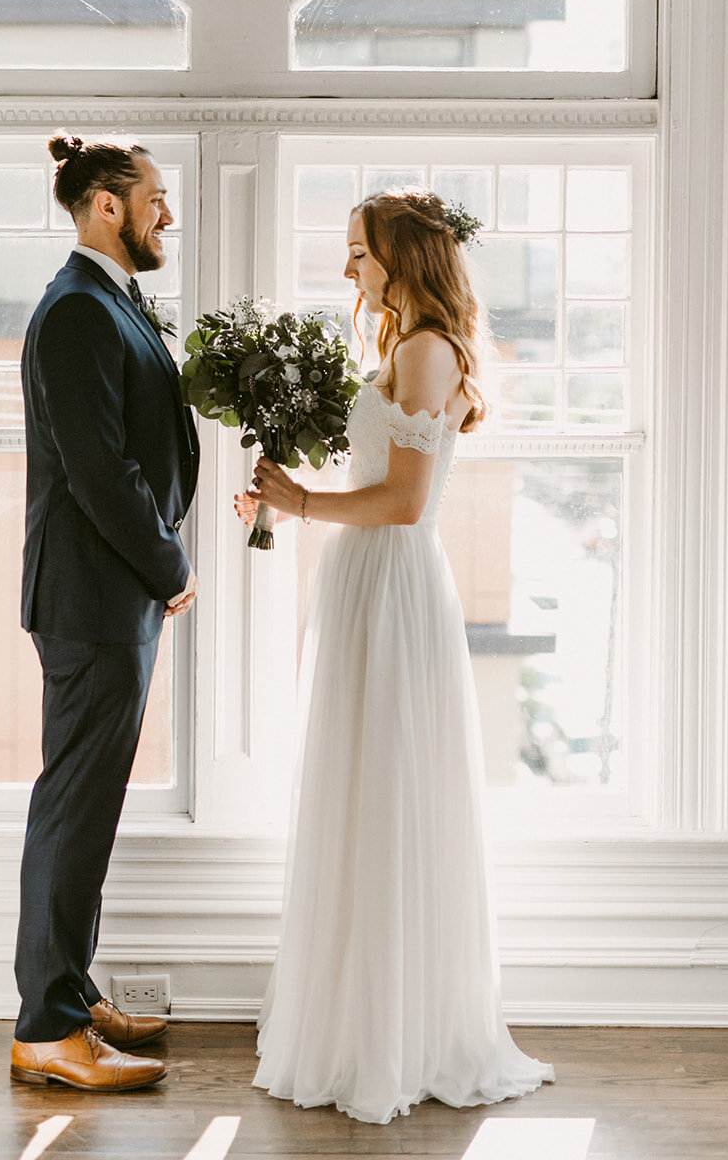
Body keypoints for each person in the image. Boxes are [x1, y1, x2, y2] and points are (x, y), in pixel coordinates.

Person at [236, 190, 554, 1124]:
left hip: (394, 580)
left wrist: (299, 504)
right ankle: (361, 1020)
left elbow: (408, 503)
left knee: (386, 792)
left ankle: (392, 1036)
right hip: (366, 584)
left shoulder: (423, 352)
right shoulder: (399, 348)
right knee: (359, 789)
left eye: (357, 254)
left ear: (402, 258)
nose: (347, 271)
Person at [11, 133, 199, 1093]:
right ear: (105, 206)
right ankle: (46, 1028)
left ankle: (71, 997)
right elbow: (97, 470)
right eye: (155, 198)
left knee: (86, 807)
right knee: (74, 808)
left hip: (110, 593)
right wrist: (168, 564)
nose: (168, 214)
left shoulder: (109, 304)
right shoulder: (77, 311)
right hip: (94, 596)